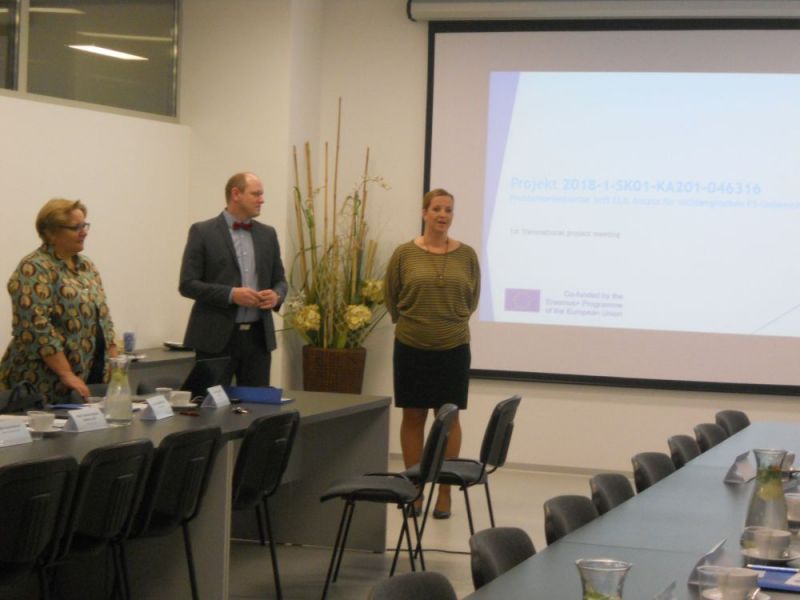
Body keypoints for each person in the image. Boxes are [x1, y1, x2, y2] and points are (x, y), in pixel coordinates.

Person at [384, 188, 481, 518]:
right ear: (424, 213)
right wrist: (417, 323)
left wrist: (447, 322)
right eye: (437, 209)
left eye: (448, 210)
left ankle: (445, 493)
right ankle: (413, 491)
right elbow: (391, 296)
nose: (443, 215)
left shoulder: (467, 255)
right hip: (411, 347)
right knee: (413, 418)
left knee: (449, 419)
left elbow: (472, 300)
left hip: (453, 348)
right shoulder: (404, 254)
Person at [0, 199, 118, 403]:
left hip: (87, 375)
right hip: (41, 381)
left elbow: (104, 319)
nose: (84, 232)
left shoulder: (86, 266)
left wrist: (115, 364)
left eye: (85, 225)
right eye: (75, 227)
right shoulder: (34, 267)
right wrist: (66, 373)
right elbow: (35, 327)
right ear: (51, 233)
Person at [179, 172, 288, 386]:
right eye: (256, 194)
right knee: (211, 403)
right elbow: (187, 284)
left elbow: (280, 280)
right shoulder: (203, 231)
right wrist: (231, 295)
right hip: (215, 339)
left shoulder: (268, 234)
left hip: (258, 339)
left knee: (257, 403)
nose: (262, 200)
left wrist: (276, 296)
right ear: (236, 194)